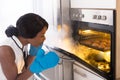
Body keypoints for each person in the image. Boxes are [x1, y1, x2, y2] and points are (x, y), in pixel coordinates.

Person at [0, 13, 60, 80]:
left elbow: (23, 70)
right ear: (29, 35)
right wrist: (38, 67)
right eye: (42, 35)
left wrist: (33, 54)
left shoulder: (22, 44)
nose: (44, 38)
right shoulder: (6, 51)